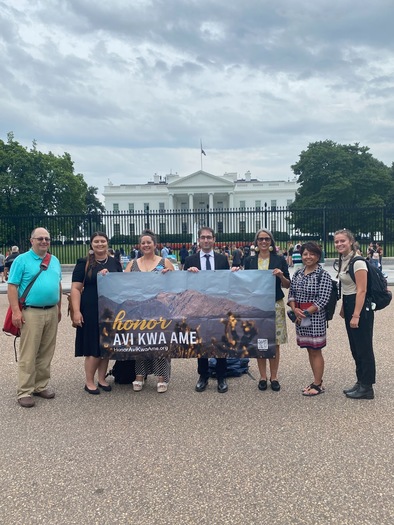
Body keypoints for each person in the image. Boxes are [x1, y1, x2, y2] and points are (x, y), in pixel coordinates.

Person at [7, 228, 62, 408]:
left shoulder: (54, 260)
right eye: (40, 238)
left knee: (47, 351)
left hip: (51, 310)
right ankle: (24, 390)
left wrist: (59, 308)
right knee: (29, 352)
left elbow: (58, 284)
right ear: (32, 240)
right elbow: (13, 286)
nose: (44, 241)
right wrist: (16, 311)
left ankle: (40, 385)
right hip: (31, 312)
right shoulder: (21, 260)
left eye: (47, 238)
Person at [71, 232, 123, 395]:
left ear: (107, 243)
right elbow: (75, 289)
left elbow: (121, 285)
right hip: (91, 309)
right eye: (96, 241)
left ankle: (101, 379)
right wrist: (77, 311)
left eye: (103, 241)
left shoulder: (115, 262)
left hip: (110, 309)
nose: (100, 244)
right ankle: (89, 381)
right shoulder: (84, 263)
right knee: (93, 346)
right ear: (91, 244)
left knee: (106, 346)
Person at [125, 230, 174, 393]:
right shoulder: (132, 264)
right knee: (140, 341)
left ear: (155, 244)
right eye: (143, 243)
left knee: (160, 340)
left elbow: (175, 285)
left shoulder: (165, 262)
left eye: (149, 242)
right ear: (140, 245)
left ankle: (162, 377)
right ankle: (140, 374)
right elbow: (121, 283)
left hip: (159, 308)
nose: (146, 245)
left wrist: (170, 275)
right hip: (139, 309)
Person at [184, 227, 231, 393]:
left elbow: (228, 283)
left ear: (214, 239)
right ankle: (202, 375)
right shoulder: (190, 260)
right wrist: (188, 274)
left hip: (218, 306)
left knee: (220, 341)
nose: (206, 240)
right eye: (203, 237)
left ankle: (221, 377)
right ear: (198, 239)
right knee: (201, 342)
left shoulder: (222, 259)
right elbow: (184, 285)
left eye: (209, 237)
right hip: (199, 308)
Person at [244, 229, 290, 392]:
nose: (264, 242)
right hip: (257, 305)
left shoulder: (279, 259)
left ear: (271, 242)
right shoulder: (249, 260)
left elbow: (287, 284)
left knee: (275, 342)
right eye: (261, 239)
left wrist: (281, 276)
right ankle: (263, 377)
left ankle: (274, 376)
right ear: (256, 242)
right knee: (260, 341)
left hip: (275, 303)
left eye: (267, 239)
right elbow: (245, 284)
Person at [334, 229, 375, 399]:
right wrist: (345, 307)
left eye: (342, 241)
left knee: (364, 347)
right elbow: (348, 288)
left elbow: (361, 290)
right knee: (355, 346)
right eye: (336, 242)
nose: (339, 244)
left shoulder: (357, 261)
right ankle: (360, 381)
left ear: (350, 241)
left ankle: (367, 387)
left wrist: (356, 314)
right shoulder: (344, 260)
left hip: (360, 307)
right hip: (350, 303)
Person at [288, 242, 333, 396]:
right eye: (305, 254)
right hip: (300, 316)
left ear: (318, 256)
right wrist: (295, 309)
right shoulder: (298, 273)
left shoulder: (323, 275)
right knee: (309, 349)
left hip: (315, 318)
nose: (308, 257)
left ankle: (318, 383)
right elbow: (291, 293)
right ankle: (316, 380)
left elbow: (323, 299)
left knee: (316, 350)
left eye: (312, 254)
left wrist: (305, 312)